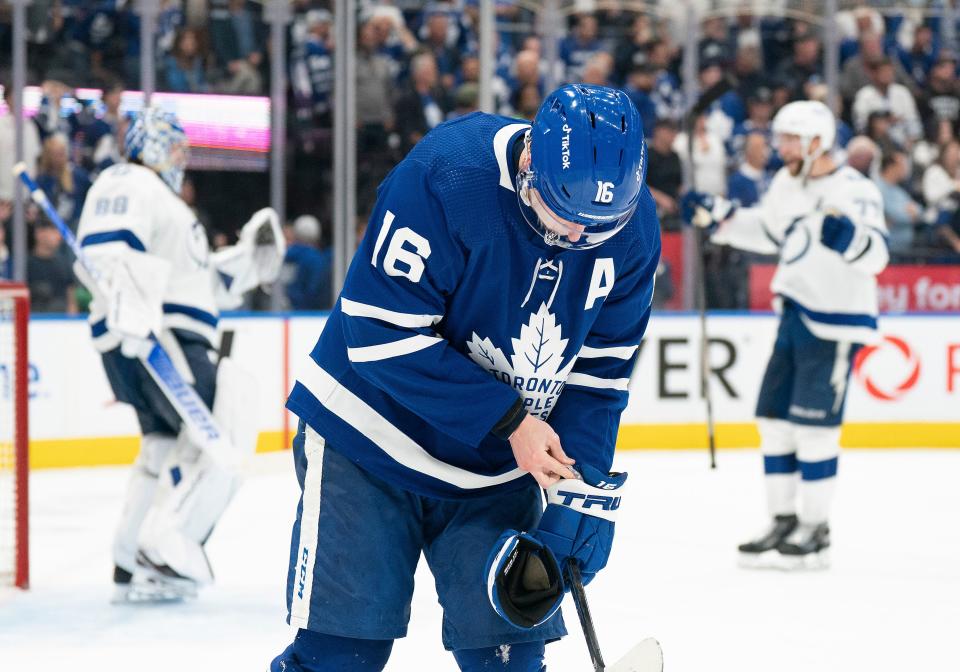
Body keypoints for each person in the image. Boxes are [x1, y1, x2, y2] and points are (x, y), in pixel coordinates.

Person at [271, 84, 660, 671]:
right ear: (531, 160)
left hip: (495, 466)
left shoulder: (630, 231)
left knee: (509, 659)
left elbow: (600, 377)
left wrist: (581, 493)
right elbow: (378, 333)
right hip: (368, 439)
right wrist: (510, 421)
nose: (578, 239)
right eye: (565, 216)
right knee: (341, 656)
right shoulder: (448, 175)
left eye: (597, 227)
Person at [75, 106, 285, 602]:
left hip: (155, 332)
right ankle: (169, 547)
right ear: (149, 143)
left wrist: (247, 262)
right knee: (228, 423)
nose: (180, 157)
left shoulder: (166, 204)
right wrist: (130, 309)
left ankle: (131, 556)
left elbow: (197, 283)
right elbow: (103, 251)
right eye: (173, 146)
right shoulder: (129, 180)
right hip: (158, 335)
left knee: (164, 446)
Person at [682, 101, 888, 569]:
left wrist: (852, 241)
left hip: (835, 321)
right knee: (774, 421)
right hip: (793, 313)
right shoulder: (786, 184)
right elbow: (771, 232)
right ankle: (783, 518)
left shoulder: (854, 190)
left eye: (791, 139)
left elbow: (877, 256)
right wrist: (721, 216)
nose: (781, 147)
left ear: (817, 141)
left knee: (816, 429)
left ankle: (816, 528)